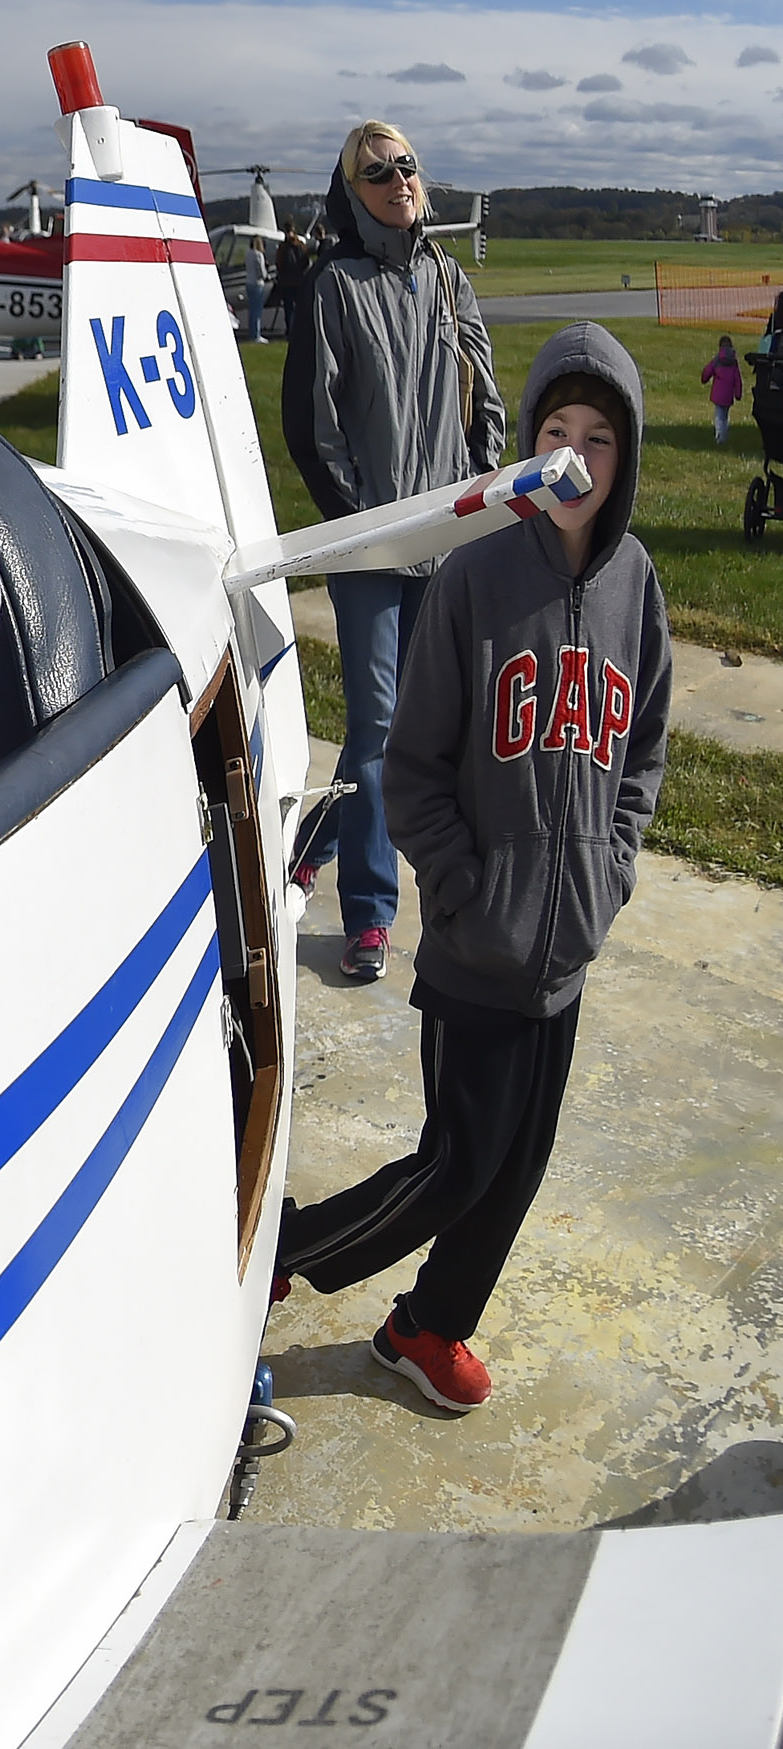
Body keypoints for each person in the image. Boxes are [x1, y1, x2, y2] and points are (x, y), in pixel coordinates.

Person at [275, 324, 668, 1412]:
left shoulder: (635, 583)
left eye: (600, 436)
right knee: (454, 1160)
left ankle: (425, 1327)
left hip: (565, 949)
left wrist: (610, 868)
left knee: (517, 1166)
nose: (578, 457)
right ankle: (282, 1252)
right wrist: (460, 891)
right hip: (476, 947)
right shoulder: (472, 581)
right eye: (555, 433)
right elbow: (410, 768)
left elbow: (642, 745)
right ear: (527, 449)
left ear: (625, 454)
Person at [287, 120, 503, 982]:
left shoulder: (449, 280)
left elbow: (484, 396)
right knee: (376, 723)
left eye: (406, 165)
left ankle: (313, 840)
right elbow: (313, 424)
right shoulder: (332, 285)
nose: (397, 180)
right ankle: (372, 914)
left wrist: (476, 496)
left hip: (446, 542)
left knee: (424, 724)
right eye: (377, 172)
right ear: (354, 191)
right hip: (373, 547)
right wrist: (360, 523)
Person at [704, 334, 742, 445]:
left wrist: (704, 379)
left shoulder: (717, 360)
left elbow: (708, 371)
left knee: (718, 416)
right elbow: (737, 379)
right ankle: (723, 436)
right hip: (728, 395)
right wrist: (738, 394)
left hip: (718, 395)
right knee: (724, 416)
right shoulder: (734, 363)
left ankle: (719, 437)